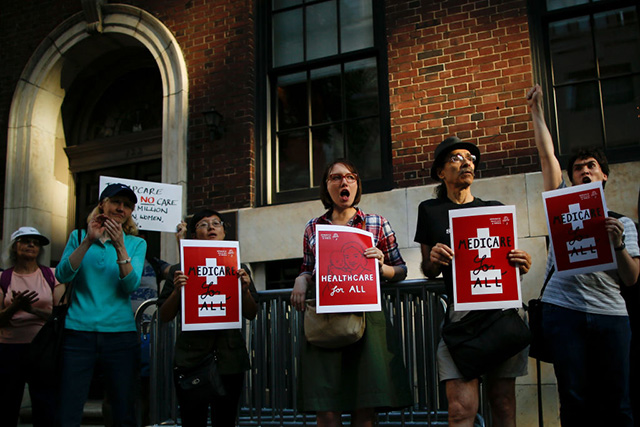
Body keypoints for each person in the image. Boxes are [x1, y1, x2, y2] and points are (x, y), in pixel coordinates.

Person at [527, 84, 639, 426]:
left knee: (618, 401)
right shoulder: (559, 206)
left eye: (591, 166)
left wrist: (617, 244)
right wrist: (537, 112)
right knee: (574, 401)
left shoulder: (623, 223)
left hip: (611, 315)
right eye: (578, 168)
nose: (584, 171)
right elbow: (548, 158)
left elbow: (632, 278)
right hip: (564, 313)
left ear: (603, 175)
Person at [414, 137, 532, 427]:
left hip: (499, 315)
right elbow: (428, 268)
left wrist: (521, 264)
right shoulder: (430, 209)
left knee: (503, 404)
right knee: (460, 410)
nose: (466, 162)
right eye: (456, 158)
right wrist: (435, 259)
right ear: (441, 172)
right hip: (461, 319)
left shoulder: (494, 210)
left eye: (470, 158)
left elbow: (503, 266)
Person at [290, 159, 412, 427]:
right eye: (335, 178)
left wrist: (383, 267)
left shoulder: (377, 223)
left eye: (350, 177)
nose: (343, 182)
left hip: (367, 320)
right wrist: (301, 279)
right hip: (326, 321)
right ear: (327, 186)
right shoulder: (314, 227)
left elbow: (401, 269)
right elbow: (308, 268)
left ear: (357, 185)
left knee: (365, 407)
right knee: (327, 410)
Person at [55, 183, 147, 426]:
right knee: (69, 406)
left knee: (122, 408)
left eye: (127, 205)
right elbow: (63, 275)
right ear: (101, 205)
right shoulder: (77, 236)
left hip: (120, 336)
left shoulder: (136, 243)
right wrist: (87, 241)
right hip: (78, 333)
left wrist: (119, 245)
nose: (121, 208)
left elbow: (130, 285)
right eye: (116, 202)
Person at [158, 209, 258, 427]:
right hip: (191, 359)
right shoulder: (179, 270)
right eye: (203, 224)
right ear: (194, 236)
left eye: (216, 223)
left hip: (229, 360)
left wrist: (245, 291)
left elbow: (251, 312)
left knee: (226, 420)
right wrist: (177, 291)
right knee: (193, 420)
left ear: (224, 232)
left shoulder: (238, 269)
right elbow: (164, 315)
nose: (211, 227)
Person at [0, 227, 65, 427]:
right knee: (6, 404)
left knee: (45, 404)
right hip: (10, 347)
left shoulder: (52, 275)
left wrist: (32, 310)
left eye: (35, 243)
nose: (31, 245)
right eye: (25, 241)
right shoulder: (4, 278)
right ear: (14, 247)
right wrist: (14, 308)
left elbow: (60, 316)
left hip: (44, 348)